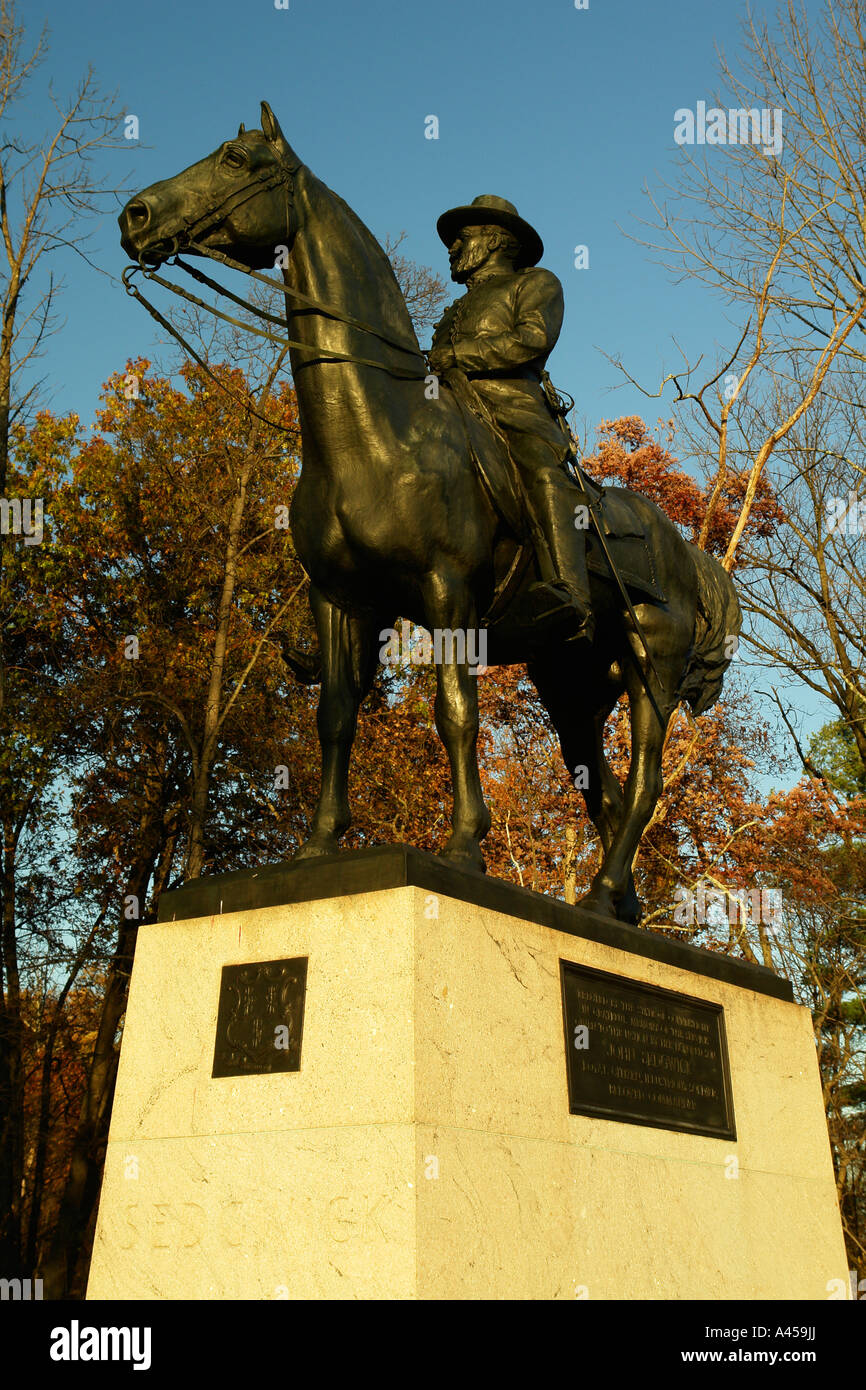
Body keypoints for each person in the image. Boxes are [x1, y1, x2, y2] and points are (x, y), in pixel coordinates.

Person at [428, 194, 594, 642]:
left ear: (495, 240)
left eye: (462, 238)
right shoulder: (453, 311)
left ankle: (572, 594)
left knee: (543, 474)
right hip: (451, 406)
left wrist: (457, 355)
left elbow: (532, 339)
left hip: (512, 409)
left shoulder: (536, 283)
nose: (452, 247)